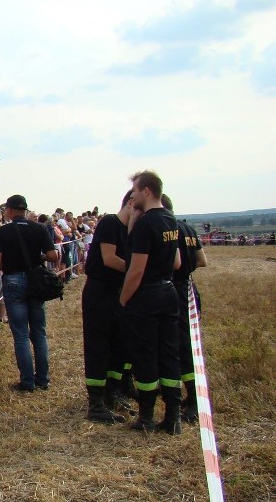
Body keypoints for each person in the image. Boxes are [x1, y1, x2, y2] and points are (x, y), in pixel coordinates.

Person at [119, 171, 182, 434]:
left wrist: (123, 299)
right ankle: (173, 417)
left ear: (146, 190)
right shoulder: (170, 219)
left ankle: (146, 416)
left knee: (145, 354)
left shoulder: (147, 224)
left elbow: (136, 270)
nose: (132, 195)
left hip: (147, 295)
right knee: (169, 353)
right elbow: (177, 262)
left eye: (134, 189)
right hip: (169, 291)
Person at [0, 195, 58, 392]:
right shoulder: (39, 228)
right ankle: (43, 379)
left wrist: (12, 265)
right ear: (26, 210)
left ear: (10, 211)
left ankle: (27, 381)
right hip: (36, 281)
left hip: (13, 279)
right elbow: (53, 255)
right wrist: (38, 257)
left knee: (21, 334)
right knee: (39, 333)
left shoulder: (3, 231)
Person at [82, 191, 134, 423]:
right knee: (98, 346)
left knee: (118, 345)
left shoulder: (128, 229)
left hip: (118, 290)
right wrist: (139, 270)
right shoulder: (110, 223)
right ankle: (96, 403)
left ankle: (112, 393)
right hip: (100, 292)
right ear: (132, 203)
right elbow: (109, 258)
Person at [161, 194, 207, 424]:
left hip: (175, 289)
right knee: (188, 342)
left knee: (180, 346)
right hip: (189, 287)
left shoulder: (168, 231)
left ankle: (192, 399)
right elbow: (202, 260)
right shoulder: (188, 230)